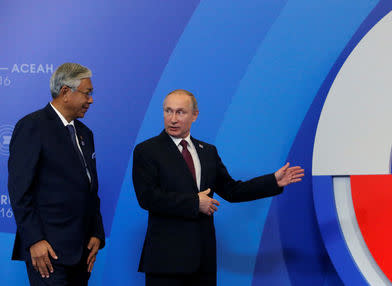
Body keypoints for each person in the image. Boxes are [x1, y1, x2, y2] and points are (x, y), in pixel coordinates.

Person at [132, 89, 304, 286]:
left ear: (194, 115)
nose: (172, 119)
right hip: (166, 261)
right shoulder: (147, 151)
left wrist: (273, 181)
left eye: (180, 112)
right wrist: (195, 202)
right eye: (168, 111)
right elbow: (147, 197)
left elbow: (232, 190)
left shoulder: (208, 152)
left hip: (203, 262)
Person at [8, 63, 105, 286]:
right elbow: (20, 191)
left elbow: (90, 189)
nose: (91, 100)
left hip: (81, 252)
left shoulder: (85, 134)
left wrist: (96, 234)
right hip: (48, 252)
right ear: (65, 92)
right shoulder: (32, 126)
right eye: (87, 93)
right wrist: (35, 240)